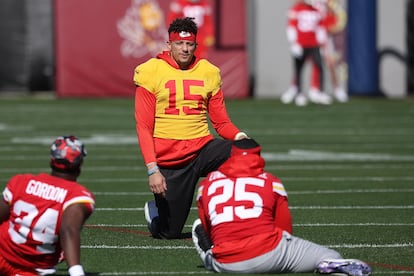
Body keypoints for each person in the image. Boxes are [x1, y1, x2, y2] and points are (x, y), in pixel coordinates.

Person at [133, 17, 248, 239]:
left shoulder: (208, 71)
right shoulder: (151, 71)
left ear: (196, 45)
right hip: (170, 160)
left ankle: (225, 217)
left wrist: (241, 137)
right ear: (169, 45)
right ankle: (156, 214)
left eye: (190, 44)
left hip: (202, 149)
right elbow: (144, 126)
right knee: (169, 232)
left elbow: (221, 122)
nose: (185, 49)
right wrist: (152, 170)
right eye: (179, 44)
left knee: (244, 153)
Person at [192, 138, 372, 275]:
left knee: (202, 234)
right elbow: (285, 229)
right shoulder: (271, 182)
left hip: (227, 262)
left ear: (231, 155)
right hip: (270, 254)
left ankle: (209, 257)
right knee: (330, 256)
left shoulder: (206, 185)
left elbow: (208, 228)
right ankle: (330, 266)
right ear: (258, 155)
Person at [0, 135, 95, 276]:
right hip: (31, 269)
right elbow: (68, 229)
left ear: (52, 160)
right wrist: (76, 271)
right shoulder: (78, 196)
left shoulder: (20, 181)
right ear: (79, 164)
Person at [281, 0, 332, 106]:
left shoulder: (317, 10)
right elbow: (291, 26)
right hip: (301, 44)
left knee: (320, 66)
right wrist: (294, 43)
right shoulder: (297, 9)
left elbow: (320, 27)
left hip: (314, 44)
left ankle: (319, 92)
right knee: (299, 70)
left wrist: (321, 44)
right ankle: (299, 93)